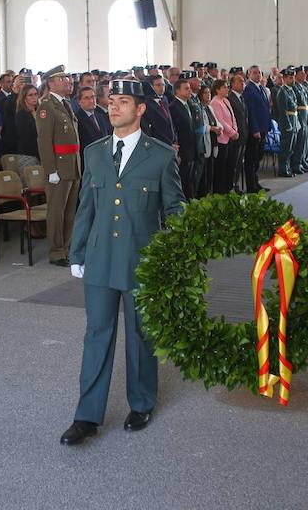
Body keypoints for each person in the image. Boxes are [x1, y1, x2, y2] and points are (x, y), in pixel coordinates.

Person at [60, 79, 185, 446]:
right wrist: (78, 252)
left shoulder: (161, 155)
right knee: (96, 335)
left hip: (141, 259)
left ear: (141, 109)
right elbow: (87, 206)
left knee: (140, 335)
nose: (113, 107)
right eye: (111, 100)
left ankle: (142, 402)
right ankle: (86, 416)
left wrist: (178, 250)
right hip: (100, 258)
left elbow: (175, 208)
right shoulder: (95, 151)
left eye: (123, 101)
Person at [35, 65, 81, 267]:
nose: (67, 81)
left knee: (70, 210)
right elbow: (44, 141)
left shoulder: (65, 104)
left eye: (67, 78)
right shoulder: (47, 106)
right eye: (62, 79)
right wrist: (51, 170)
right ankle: (56, 252)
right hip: (59, 167)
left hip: (72, 164)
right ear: (51, 83)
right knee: (57, 211)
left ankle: (66, 247)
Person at [242, 66, 271, 193]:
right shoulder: (249, 89)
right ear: (249, 75)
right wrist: (255, 129)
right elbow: (251, 111)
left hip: (263, 127)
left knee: (258, 158)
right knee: (251, 159)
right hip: (255, 129)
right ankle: (251, 186)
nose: (258, 75)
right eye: (255, 73)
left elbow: (266, 108)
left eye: (259, 72)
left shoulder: (261, 88)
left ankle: (256, 182)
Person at [208, 79, 238, 194]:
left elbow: (232, 117)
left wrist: (235, 130)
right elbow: (221, 121)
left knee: (230, 166)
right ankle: (220, 192)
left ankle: (229, 189)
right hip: (222, 139)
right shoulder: (215, 102)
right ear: (217, 90)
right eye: (224, 87)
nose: (227, 89)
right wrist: (232, 132)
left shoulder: (226, 100)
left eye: (227, 87)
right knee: (221, 168)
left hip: (230, 137)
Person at [170, 76, 196, 198]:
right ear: (177, 91)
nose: (189, 91)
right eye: (186, 89)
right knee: (183, 181)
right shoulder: (173, 107)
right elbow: (175, 131)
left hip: (190, 149)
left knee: (189, 180)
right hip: (182, 151)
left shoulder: (188, 104)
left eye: (189, 88)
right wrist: (178, 153)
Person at [226, 74, 250, 193]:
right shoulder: (230, 98)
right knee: (233, 163)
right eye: (240, 81)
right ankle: (231, 186)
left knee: (239, 162)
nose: (243, 83)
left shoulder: (241, 97)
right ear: (232, 84)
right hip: (234, 136)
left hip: (242, 135)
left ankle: (235, 184)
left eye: (243, 81)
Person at [275, 67, 298, 177]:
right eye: (290, 78)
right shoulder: (282, 92)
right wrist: (288, 125)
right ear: (284, 79)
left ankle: (288, 168)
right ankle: (283, 169)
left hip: (294, 121)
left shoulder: (290, 90)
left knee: (291, 148)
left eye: (293, 77)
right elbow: (283, 111)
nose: (292, 79)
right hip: (287, 123)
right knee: (286, 148)